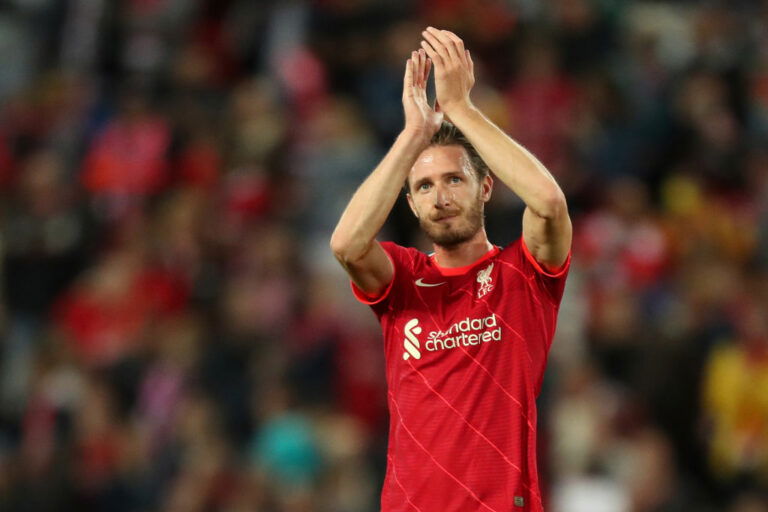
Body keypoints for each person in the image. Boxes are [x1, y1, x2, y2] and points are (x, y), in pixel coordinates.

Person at [330, 27, 572, 512]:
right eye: (422, 187)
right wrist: (413, 135)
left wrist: (461, 109)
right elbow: (347, 245)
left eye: (454, 179)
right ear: (412, 204)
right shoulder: (403, 279)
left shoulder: (523, 275)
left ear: (485, 188)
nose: (439, 198)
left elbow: (547, 202)